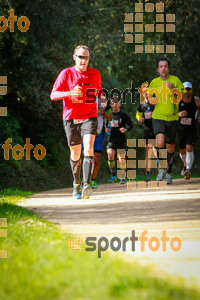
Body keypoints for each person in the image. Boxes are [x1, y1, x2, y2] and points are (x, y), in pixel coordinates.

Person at [50, 45, 102, 199]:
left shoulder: (95, 74)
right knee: (75, 153)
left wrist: (102, 98)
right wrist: (69, 93)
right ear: (74, 57)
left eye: (86, 57)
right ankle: (77, 183)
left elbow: (98, 90)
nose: (83, 60)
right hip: (71, 118)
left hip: (90, 116)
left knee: (89, 148)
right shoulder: (66, 73)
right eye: (80, 57)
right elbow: (53, 95)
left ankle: (87, 184)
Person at [147, 57, 187, 184]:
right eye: (161, 66)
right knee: (159, 142)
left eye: (165, 66)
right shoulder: (154, 82)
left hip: (173, 118)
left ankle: (168, 172)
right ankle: (162, 168)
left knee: (170, 148)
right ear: (157, 69)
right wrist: (150, 99)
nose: (163, 68)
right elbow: (150, 99)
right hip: (158, 117)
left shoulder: (175, 80)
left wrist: (173, 88)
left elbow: (185, 98)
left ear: (168, 68)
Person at [82, 98, 112, 188]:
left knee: (97, 157)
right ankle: (86, 178)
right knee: (85, 154)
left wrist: (103, 113)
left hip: (99, 132)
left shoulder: (104, 101)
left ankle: (93, 180)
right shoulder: (86, 98)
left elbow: (110, 117)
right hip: (86, 131)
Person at [105, 96, 133, 184]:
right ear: (110, 105)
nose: (114, 105)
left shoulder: (123, 114)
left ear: (120, 104)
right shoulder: (108, 114)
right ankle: (113, 175)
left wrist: (126, 130)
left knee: (121, 159)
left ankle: (122, 176)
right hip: (111, 139)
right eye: (113, 104)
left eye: (116, 104)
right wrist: (106, 129)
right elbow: (105, 125)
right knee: (110, 155)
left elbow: (130, 125)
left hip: (121, 139)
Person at [178, 81, 200, 180]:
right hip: (180, 128)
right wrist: (179, 115)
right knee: (182, 150)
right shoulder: (177, 100)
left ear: (191, 90)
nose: (187, 91)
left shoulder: (196, 100)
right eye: (185, 89)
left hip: (191, 128)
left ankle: (188, 169)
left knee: (189, 148)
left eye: (188, 89)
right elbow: (171, 113)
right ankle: (185, 165)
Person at [136, 82, 156, 182]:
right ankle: (147, 174)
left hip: (157, 128)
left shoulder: (156, 101)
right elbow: (138, 114)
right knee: (148, 151)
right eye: (144, 90)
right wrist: (139, 118)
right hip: (147, 129)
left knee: (156, 150)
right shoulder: (142, 103)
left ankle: (163, 170)